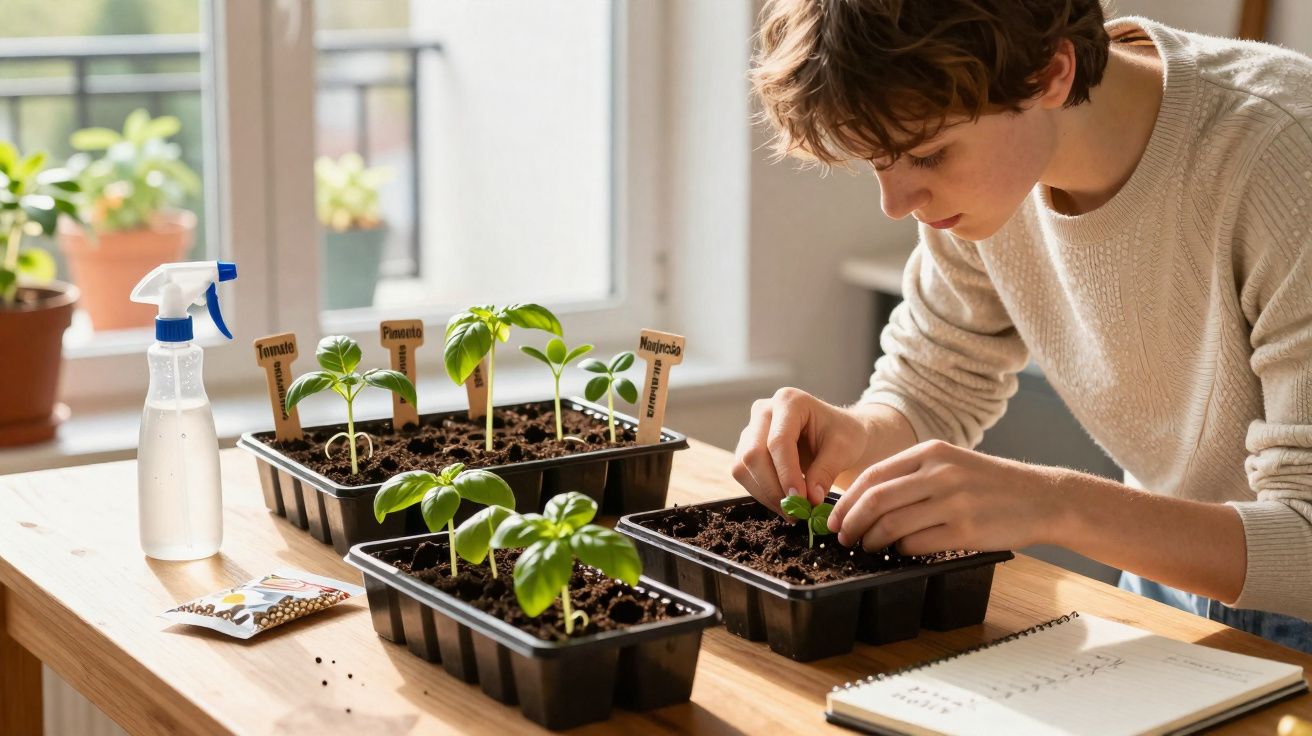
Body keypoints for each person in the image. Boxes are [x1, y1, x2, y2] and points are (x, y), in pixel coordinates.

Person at [735, 0, 1312, 652]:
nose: (896, 205)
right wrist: (852, 434)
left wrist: (1051, 502)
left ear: (1051, 75)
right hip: (1170, 583)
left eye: (926, 154)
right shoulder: (995, 178)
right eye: (876, 162)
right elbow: (930, 389)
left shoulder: (1285, 160)